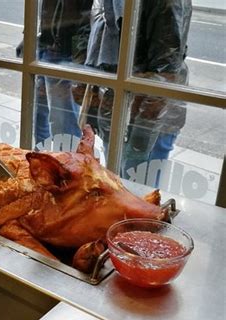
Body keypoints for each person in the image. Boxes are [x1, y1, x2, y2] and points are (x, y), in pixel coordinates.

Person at [85, 0, 192, 183]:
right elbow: (101, 37)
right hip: (119, 99)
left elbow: (166, 69)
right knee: (117, 178)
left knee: (137, 182)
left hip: (146, 106)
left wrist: (142, 121)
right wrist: (94, 99)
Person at [37, 0, 93, 142]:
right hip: (48, 44)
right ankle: (41, 160)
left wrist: (78, 58)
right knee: (39, 116)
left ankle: (65, 162)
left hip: (64, 51)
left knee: (62, 125)